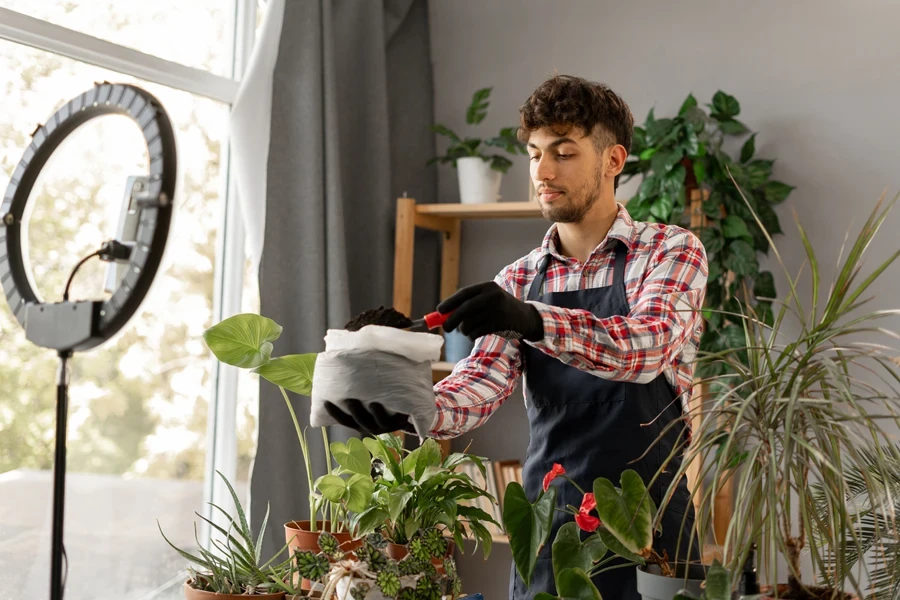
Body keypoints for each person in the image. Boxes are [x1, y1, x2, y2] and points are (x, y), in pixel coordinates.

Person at [325, 74, 708, 600]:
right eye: (533, 154)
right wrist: (410, 407)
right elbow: (478, 385)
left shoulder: (668, 251)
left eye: (564, 152)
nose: (542, 172)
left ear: (613, 161)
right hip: (549, 523)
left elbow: (647, 346)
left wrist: (535, 321)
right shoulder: (519, 279)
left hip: (654, 524)